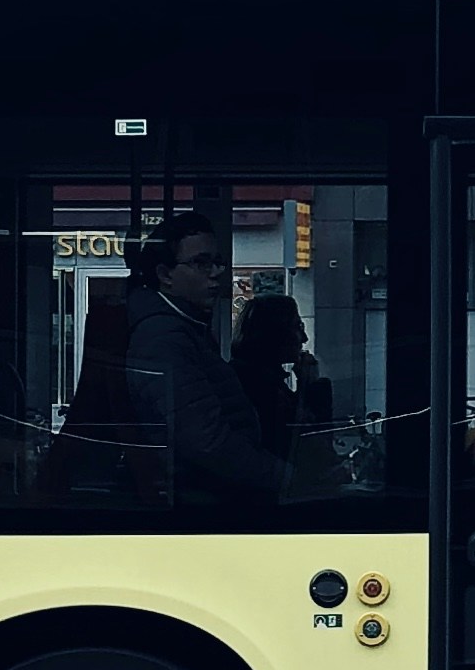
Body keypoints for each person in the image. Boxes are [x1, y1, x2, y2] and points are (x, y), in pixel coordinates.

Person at [118, 215, 281, 515]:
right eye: (201, 263)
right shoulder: (163, 338)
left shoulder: (182, 328)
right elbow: (206, 441)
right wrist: (285, 479)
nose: (216, 273)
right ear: (165, 274)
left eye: (217, 262)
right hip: (201, 504)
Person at [231, 286, 333, 466]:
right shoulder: (259, 388)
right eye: (297, 328)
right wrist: (310, 387)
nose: (304, 338)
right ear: (275, 333)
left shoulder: (261, 379)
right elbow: (309, 446)